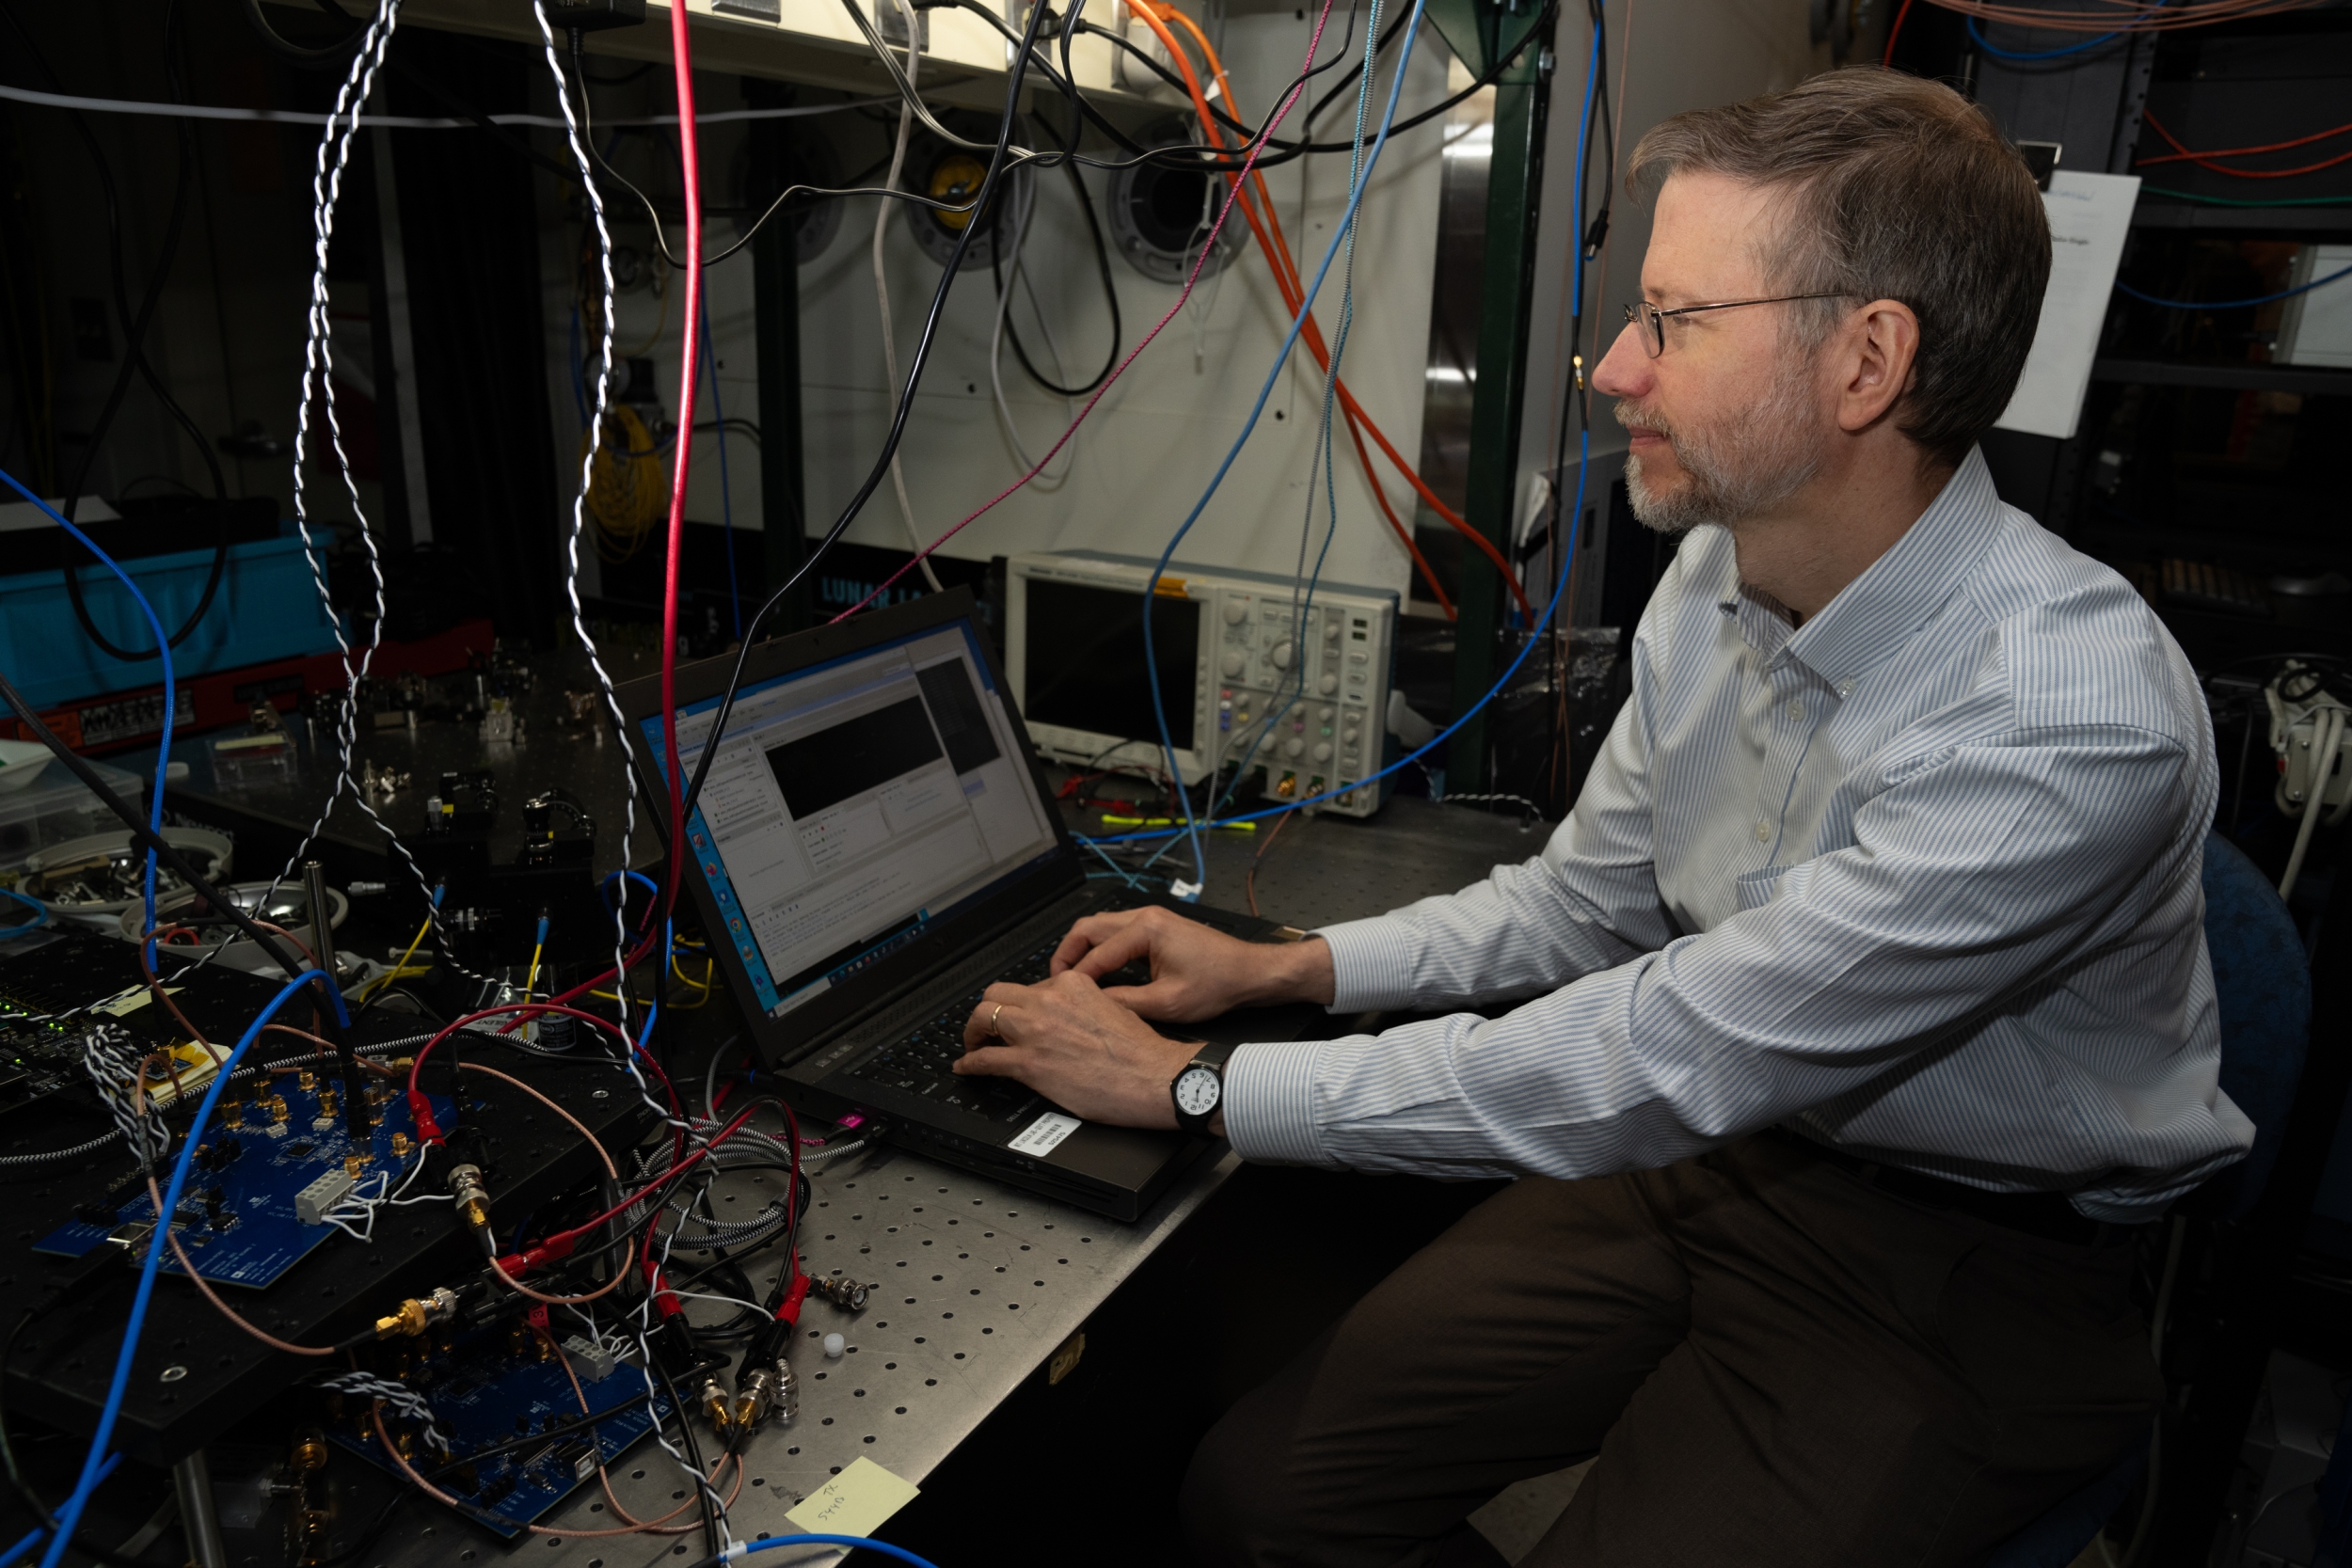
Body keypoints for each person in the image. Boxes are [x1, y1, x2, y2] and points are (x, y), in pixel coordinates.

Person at [954, 67, 2251, 1566]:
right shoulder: (1720, 569)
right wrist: (1281, 968)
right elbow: (1585, 908)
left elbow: (1673, 1051)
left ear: (1867, 363)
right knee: (1261, 1498)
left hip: (1965, 1261)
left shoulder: (2066, 712)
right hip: (1717, 1161)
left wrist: (1197, 1092)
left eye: (1676, 322)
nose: (1617, 370)